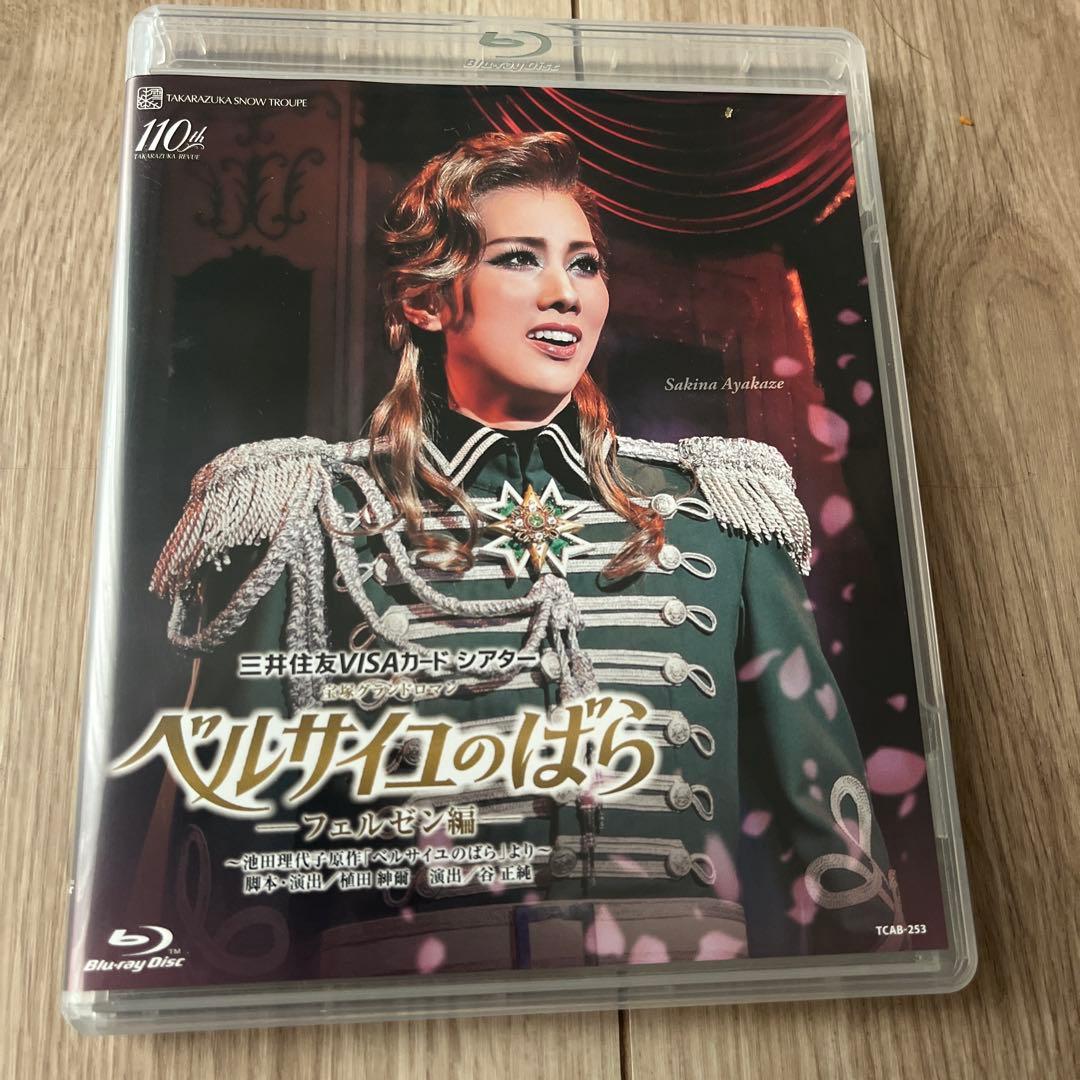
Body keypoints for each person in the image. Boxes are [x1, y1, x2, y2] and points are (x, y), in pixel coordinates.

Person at [151, 131, 902, 974]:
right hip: (404, 1002)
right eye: (518, 259)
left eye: (585, 265)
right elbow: (228, 855)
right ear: (424, 300)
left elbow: (829, 830)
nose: (564, 294)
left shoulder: (718, 511)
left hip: (683, 993)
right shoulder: (305, 511)